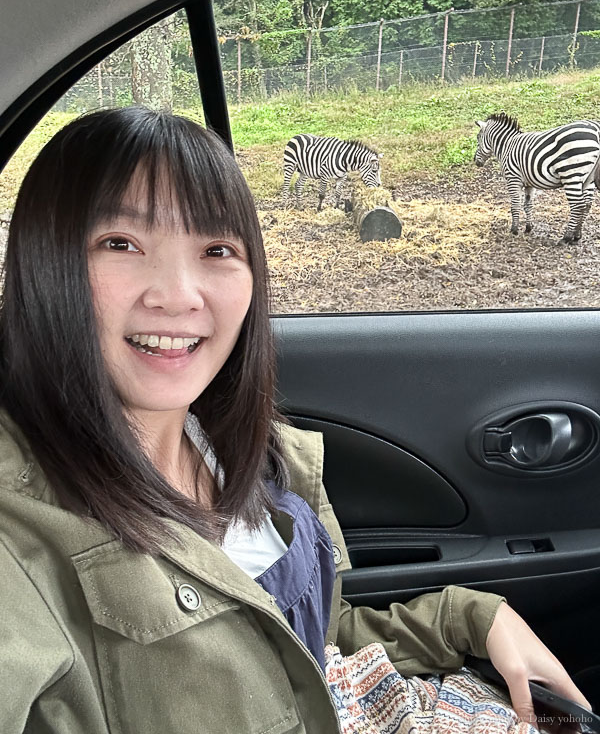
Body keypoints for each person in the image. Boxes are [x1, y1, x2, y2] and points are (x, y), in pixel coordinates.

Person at [0, 107, 589, 733]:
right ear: (44, 263)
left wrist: (472, 617)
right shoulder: (21, 535)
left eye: (217, 248)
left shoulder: (236, 447)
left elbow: (304, 641)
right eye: (120, 243)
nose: (177, 293)